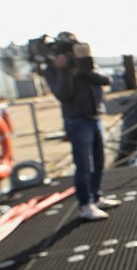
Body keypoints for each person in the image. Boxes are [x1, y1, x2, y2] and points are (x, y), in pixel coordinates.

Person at [43, 32, 121, 220]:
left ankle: (96, 197)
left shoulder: (86, 65)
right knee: (84, 165)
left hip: (95, 118)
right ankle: (85, 205)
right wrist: (64, 70)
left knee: (99, 162)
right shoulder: (52, 69)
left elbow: (105, 80)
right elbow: (63, 95)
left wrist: (84, 69)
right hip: (77, 120)